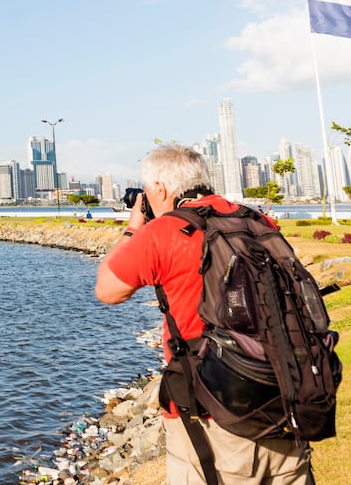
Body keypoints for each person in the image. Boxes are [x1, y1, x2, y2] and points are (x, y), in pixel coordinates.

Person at [95, 144, 313, 484]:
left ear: (160, 190)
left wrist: (133, 226)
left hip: (209, 414)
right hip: (283, 396)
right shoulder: (257, 220)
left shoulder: (162, 233)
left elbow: (107, 290)